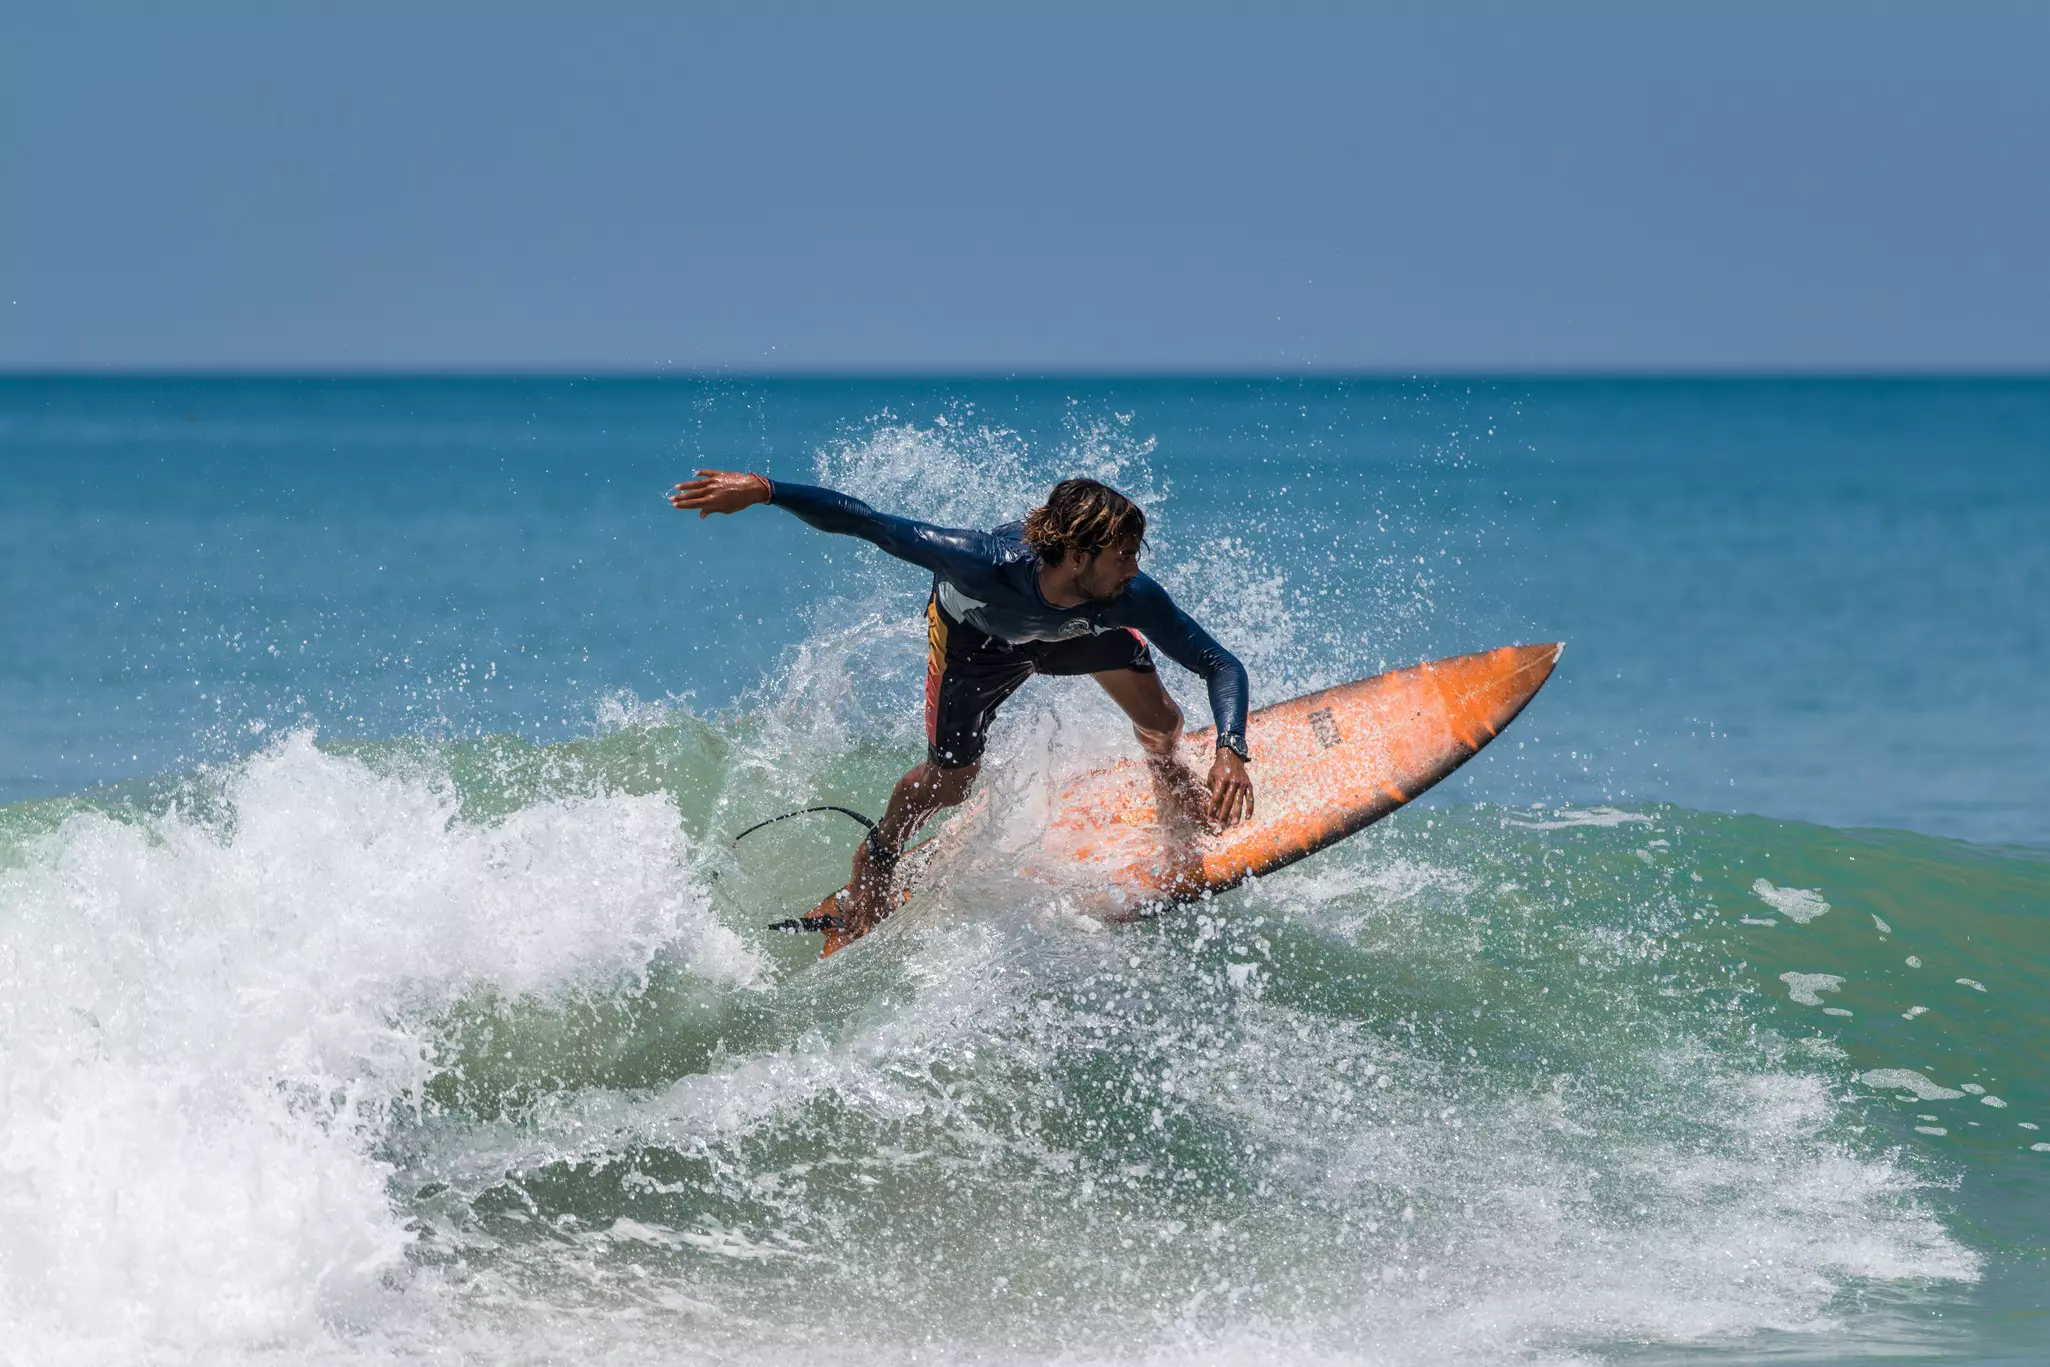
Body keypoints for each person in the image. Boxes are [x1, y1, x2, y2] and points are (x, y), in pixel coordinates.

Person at [671, 469, 1254, 953]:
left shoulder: (1130, 596)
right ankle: (876, 858)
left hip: (1072, 633)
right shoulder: (979, 561)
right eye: (1124, 555)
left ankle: (1169, 777)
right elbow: (868, 522)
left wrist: (1230, 748)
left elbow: (1220, 665)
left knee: (1164, 722)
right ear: (1077, 555)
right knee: (950, 784)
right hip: (975, 643)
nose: (1135, 567)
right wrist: (766, 490)